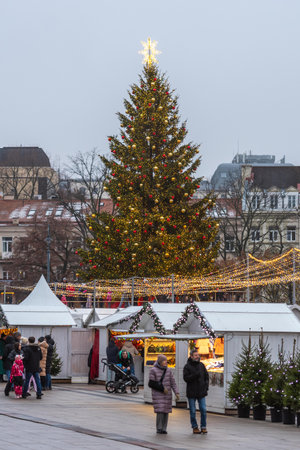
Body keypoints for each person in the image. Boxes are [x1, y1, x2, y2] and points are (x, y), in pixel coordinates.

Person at [149, 354, 179, 434]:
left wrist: (177, 392)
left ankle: (164, 428)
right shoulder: (153, 370)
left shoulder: (168, 370)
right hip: (158, 394)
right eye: (163, 361)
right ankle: (159, 428)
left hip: (167, 394)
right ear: (159, 361)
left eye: (166, 360)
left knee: (166, 411)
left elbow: (173, 382)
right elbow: (151, 383)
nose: (165, 362)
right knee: (160, 411)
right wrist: (162, 389)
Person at [183, 348, 209, 434]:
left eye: (198, 355)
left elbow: (206, 377)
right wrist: (195, 375)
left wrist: (206, 387)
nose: (197, 356)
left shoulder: (201, 365)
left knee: (203, 409)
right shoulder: (187, 366)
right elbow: (186, 378)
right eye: (195, 355)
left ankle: (203, 426)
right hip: (191, 392)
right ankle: (194, 427)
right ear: (191, 356)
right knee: (193, 411)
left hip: (201, 391)